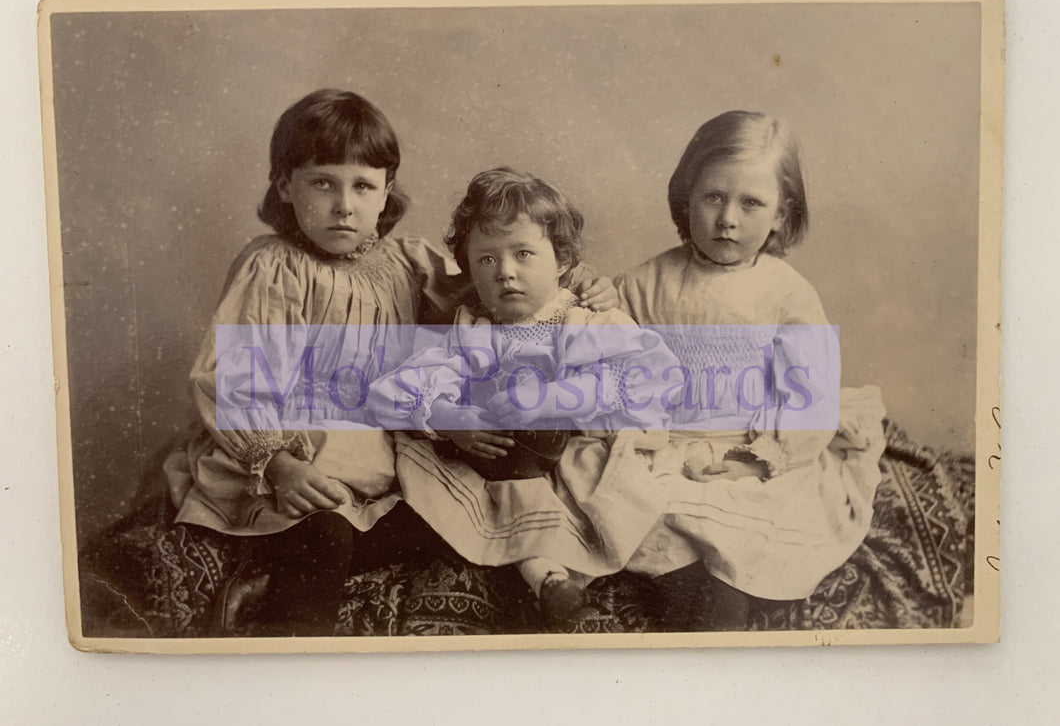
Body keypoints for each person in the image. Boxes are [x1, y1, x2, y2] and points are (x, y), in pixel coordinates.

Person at [162, 90, 617, 636]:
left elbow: (495, 289)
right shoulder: (273, 266)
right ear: (285, 185)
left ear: (386, 193)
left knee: (465, 514)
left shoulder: (406, 262)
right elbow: (234, 380)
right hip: (295, 449)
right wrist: (281, 465)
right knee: (323, 531)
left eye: (362, 186)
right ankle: (285, 645)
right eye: (322, 182)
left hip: (383, 453)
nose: (343, 205)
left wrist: (576, 282)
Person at [369, 167, 678, 624]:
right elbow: (398, 389)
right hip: (499, 461)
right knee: (442, 484)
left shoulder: (587, 321)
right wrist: (450, 419)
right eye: (486, 260)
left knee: (593, 488)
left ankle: (549, 576)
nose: (505, 272)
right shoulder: (474, 328)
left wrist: (557, 397)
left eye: (523, 254)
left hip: (573, 454)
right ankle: (547, 579)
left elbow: (656, 378)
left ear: (563, 261)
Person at [617, 110, 886, 631]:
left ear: (782, 215)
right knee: (662, 538)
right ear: (685, 199)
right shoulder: (643, 284)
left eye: (751, 203)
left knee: (737, 555)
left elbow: (810, 399)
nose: (728, 219)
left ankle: (721, 638)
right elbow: (615, 375)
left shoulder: (786, 293)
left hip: (750, 453)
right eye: (713, 197)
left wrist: (758, 461)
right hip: (664, 451)